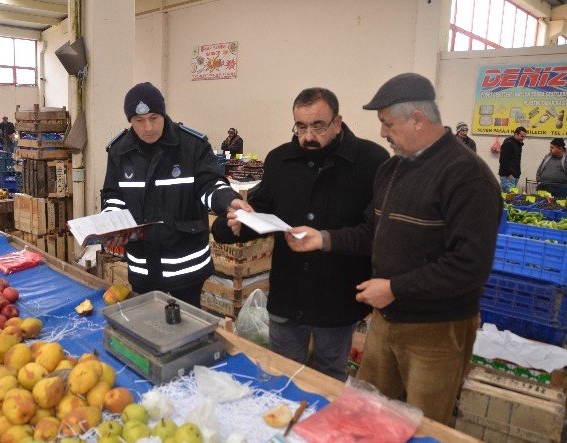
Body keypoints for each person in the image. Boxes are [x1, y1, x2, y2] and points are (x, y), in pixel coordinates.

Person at [285, 73, 502, 424]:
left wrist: (395, 288)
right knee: (367, 413)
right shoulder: (392, 170)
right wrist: (324, 239)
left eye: (387, 124)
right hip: (386, 320)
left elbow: (470, 265)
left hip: (437, 329)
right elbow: (373, 231)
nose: (383, 133)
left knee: (423, 421)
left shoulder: (467, 177)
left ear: (417, 119)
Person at [211, 87, 389, 382]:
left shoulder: (371, 161)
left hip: (338, 298)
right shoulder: (281, 160)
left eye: (318, 126)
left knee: (329, 378)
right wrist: (234, 223)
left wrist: (327, 239)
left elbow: (374, 232)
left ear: (338, 121)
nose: (308, 136)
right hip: (288, 295)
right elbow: (260, 209)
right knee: (281, 375)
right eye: (301, 126)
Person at [101, 82, 247, 307]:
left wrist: (228, 201)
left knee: (187, 328)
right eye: (139, 121)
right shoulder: (120, 151)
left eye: (154, 118)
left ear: (164, 113)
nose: (148, 127)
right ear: (130, 121)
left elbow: (209, 184)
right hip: (142, 264)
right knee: (148, 326)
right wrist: (113, 218)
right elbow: (113, 194)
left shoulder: (191, 145)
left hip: (185, 264)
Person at [499, 126, 527, 192]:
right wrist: (509, 174)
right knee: (509, 199)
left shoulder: (518, 144)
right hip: (508, 176)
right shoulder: (508, 144)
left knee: (507, 197)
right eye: (522, 136)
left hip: (515, 175)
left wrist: (518, 174)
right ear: (516, 134)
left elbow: (516, 161)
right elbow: (503, 161)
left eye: (524, 136)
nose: (523, 138)